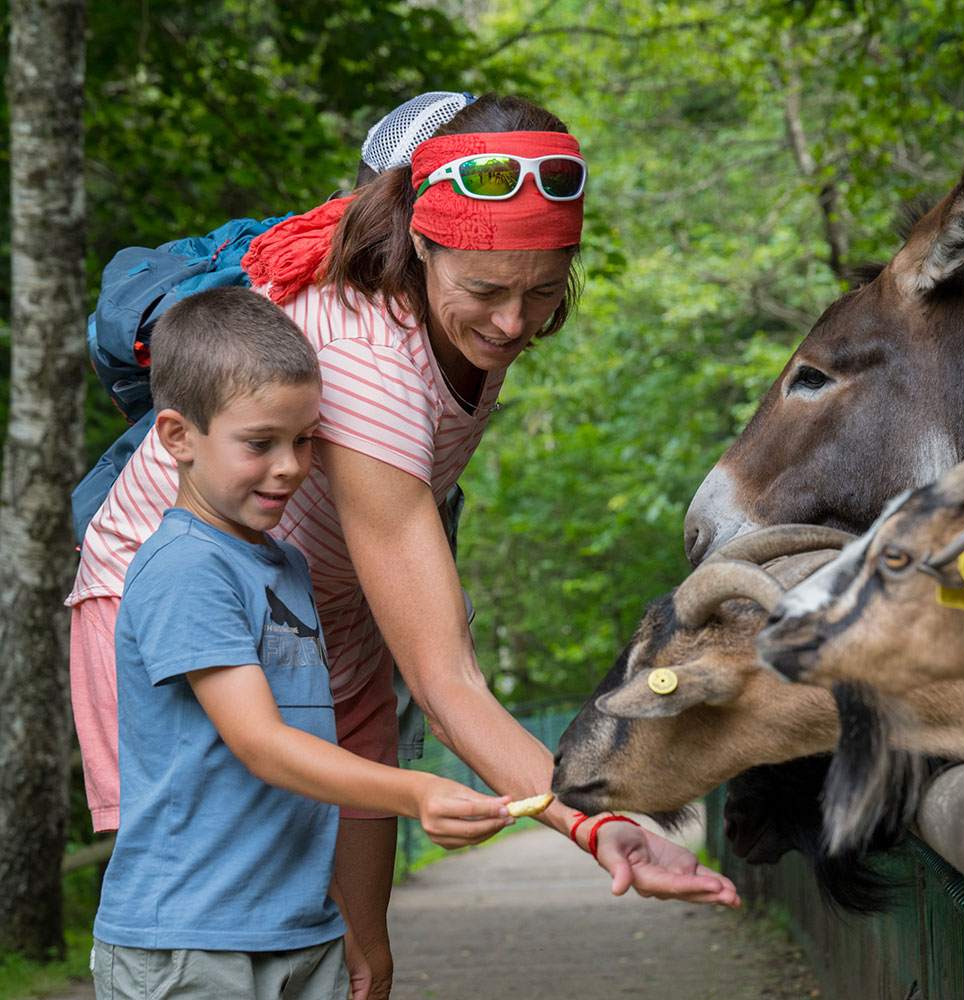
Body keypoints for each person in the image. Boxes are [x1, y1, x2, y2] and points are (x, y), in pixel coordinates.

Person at [69, 92, 740, 1000]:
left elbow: (377, 714)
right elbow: (447, 676)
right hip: (194, 587)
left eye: (544, 292)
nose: (513, 325)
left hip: (317, 602)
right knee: (217, 880)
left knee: (348, 944)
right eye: (488, 294)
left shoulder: (460, 316)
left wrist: (372, 931)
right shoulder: (365, 355)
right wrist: (583, 823)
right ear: (423, 245)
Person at [91, 285, 511, 1000]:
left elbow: (295, 775)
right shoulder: (188, 567)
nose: (289, 465)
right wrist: (415, 792)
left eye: (305, 439)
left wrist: (332, 912)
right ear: (177, 437)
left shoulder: (284, 567)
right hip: (190, 944)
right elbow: (262, 744)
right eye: (260, 443)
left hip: (295, 930)